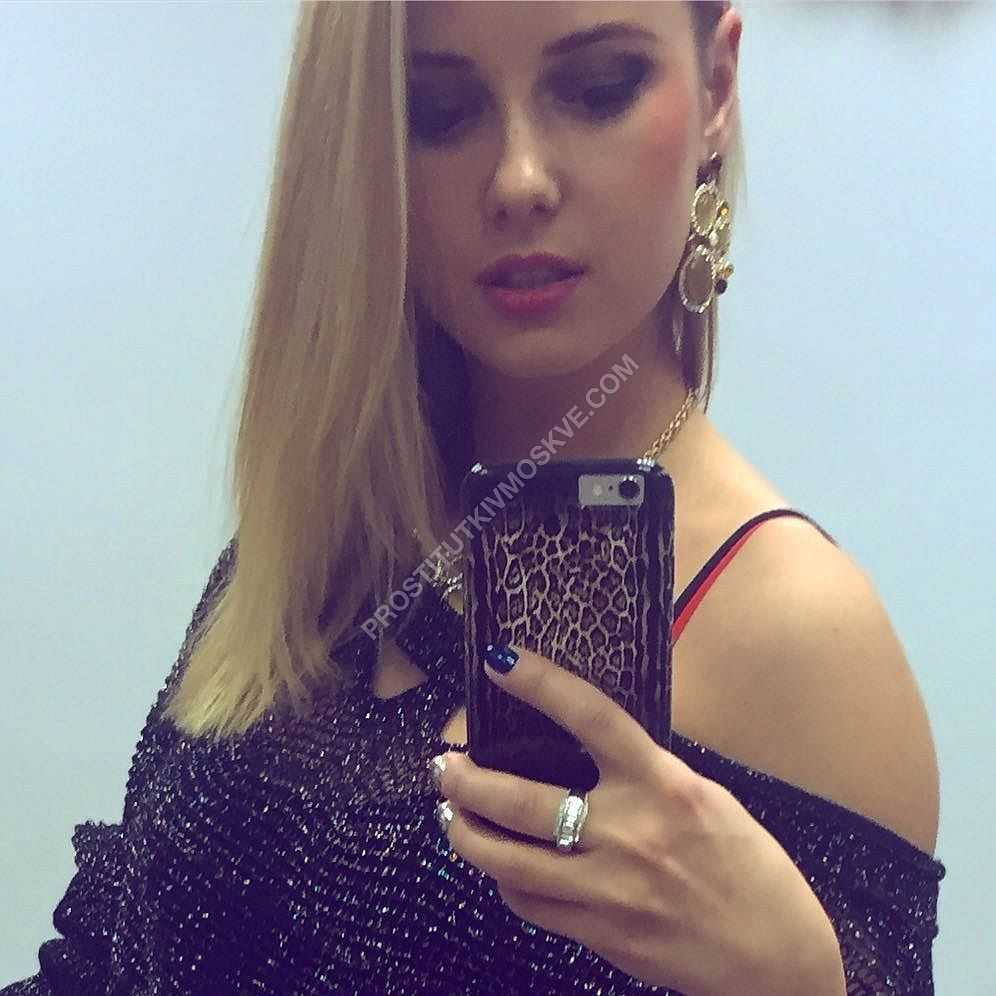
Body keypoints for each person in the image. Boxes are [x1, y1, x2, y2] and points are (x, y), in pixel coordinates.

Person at [3, 3, 946, 994]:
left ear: (717, 88)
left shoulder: (805, 640)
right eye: (440, 111)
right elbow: (106, 953)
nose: (519, 180)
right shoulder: (336, 523)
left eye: (596, 90)